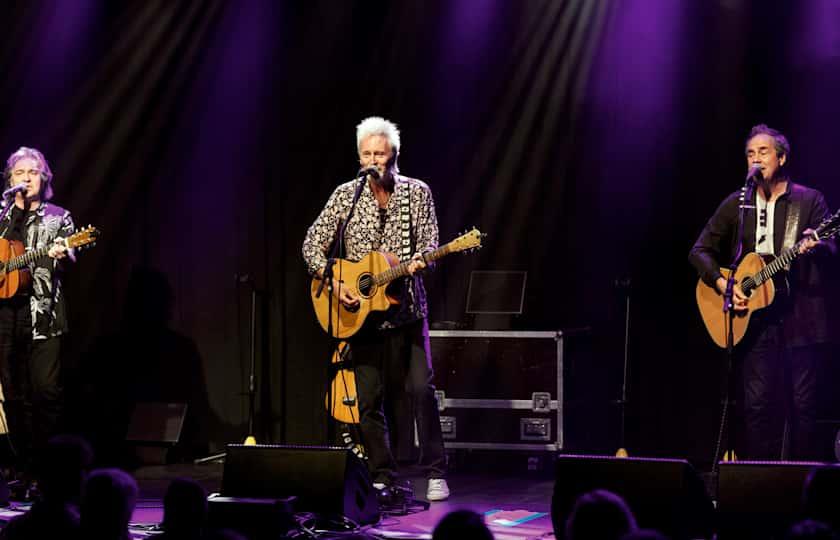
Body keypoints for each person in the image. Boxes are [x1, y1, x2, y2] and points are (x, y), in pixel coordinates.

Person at [302, 116, 449, 501]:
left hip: (407, 312)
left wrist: (419, 262)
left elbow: (431, 245)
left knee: (420, 389)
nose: (373, 161)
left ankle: (434, 471)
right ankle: (381, 473)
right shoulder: (344, 196)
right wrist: (334, 284)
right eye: (366, 154)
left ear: (394, 157)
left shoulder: (417, 193)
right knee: (366, 401)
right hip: (361, 319)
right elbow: (312, 246)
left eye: (380, 155)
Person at [689, 124, 835, 460]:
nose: (756, 159)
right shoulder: (738, 203)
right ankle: (759, 489)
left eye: (763, 152)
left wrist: (819, 244)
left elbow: (832, 250)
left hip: (802, 319)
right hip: (755, 325)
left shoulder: (809, 200)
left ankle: (803, 488)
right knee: (756, 409)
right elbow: (699, 251)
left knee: (804, 409)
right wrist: (724, 284)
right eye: (750, 154)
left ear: (781, 157)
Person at [0, 147, 74, 475]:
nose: (27, 177)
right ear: (10, 179)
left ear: (44, 178)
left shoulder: (58, 216)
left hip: (44, 315)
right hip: (5, 317)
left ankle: (50, 467)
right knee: (12, 393)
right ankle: (21, 465)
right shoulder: (1, 219)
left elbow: (72, 255)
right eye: (20, 172)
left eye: (33, 172)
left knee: (45, 390)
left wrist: (63, 253)